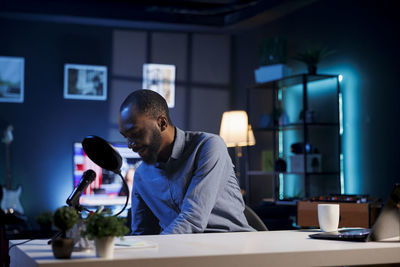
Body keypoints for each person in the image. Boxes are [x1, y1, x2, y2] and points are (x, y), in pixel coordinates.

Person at [118, 89, 255, 234]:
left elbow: (192, 220)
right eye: (126, 136)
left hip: (233, 248)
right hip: (182, 252)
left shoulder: (208, 147)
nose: (130, 144)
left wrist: (157, 248)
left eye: (135, 133)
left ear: (162, 123)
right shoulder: (142, 176)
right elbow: (142, 234)